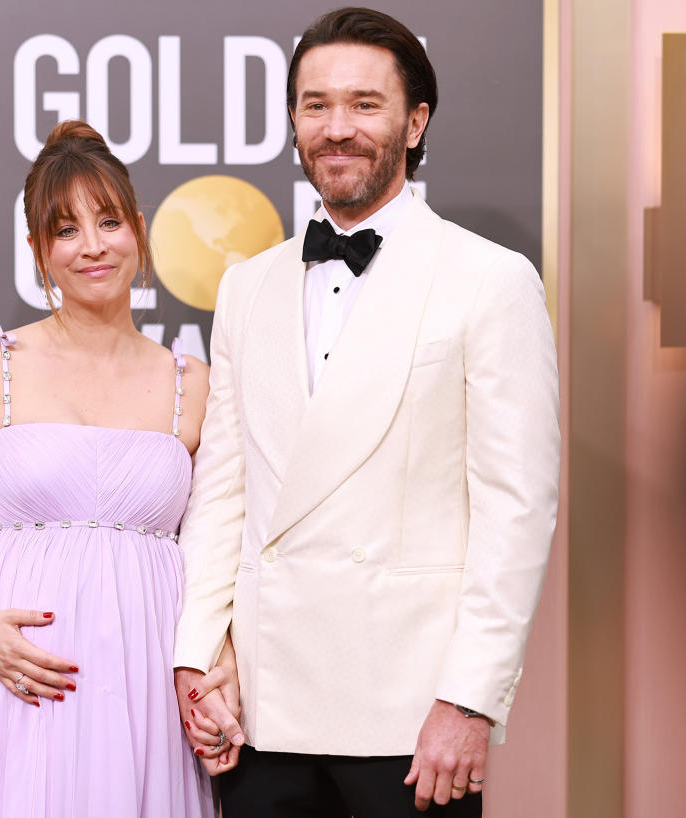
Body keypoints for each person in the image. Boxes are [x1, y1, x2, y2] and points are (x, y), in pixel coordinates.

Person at [172, 8, 560, 816]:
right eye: (316, 106)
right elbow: (224, 490)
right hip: (261, 714)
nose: (336, 128)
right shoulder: (248, 284)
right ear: (292, 121)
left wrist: (470, 699)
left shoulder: (489, 280)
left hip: (412, 718)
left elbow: (515, 509)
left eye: (364, 104)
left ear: (416, 123)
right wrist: (197, 655)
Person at [0, 120, 229, 817]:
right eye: (65, 229)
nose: (92, 246)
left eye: (108, 221)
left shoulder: (193, 384)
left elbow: (219, 549)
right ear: (36, 250)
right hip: (8, 684)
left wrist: (214, 666)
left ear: (138, 229)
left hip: (144, 693)